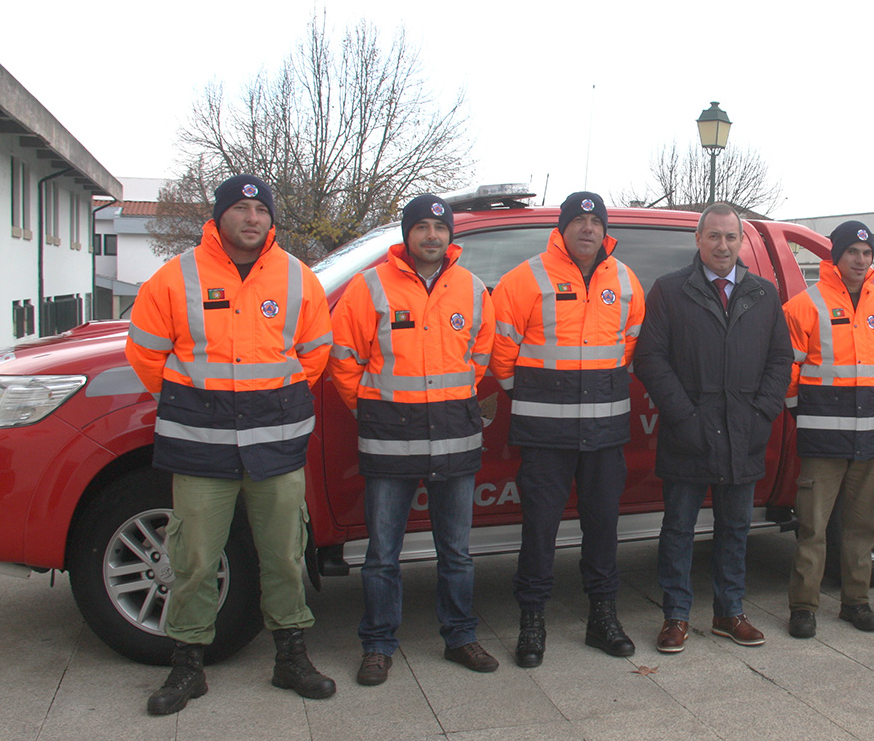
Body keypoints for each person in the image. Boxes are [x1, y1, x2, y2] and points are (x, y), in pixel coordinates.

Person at [126, 174, 335, 715]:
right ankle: (187, 665)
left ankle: (290, 657)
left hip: (277, 443)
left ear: (271, 219)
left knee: (286, 554)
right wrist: (197, 401)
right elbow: (146, 356)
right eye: (240, 210)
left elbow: (314, 355)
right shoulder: (175, 278)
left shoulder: (298, 278)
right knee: (194, 557)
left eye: (260, 210)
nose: (251, 219)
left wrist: (270, 400)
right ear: (219, 217)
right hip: (200, 443)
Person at [329, 195, 498, 682]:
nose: (431, 236)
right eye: (421, 227)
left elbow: (480, 354)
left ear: (451, 236)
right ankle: (378, 644)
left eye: (439, 228)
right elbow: (343, 357)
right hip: (388, 440)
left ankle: (461, 636)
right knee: (382, 554)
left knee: (457, 551)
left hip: (454, 438)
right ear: (407, 235)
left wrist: (456, 396)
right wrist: (369, 408)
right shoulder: (370, 287)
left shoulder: (470, 289)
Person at [490, 191, 644, 667]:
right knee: (539, 530)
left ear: (604, 230)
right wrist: (538, 396)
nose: (587, 228)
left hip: (604, 434)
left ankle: (603, 617)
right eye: (578, 220)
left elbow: (629, 343)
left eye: (595, 221)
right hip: (545, 437)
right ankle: (531, 622)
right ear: (561, 228)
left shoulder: (625, 280)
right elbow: (501, 354)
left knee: (603, 528)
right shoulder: (524, 279)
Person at [634, 202, 793, 653]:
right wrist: (683, 415)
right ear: (698, 240)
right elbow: (650, 358)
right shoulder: (668, 291)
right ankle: (676, 617)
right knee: (679, 529)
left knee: (735, 528)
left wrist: (763, 411)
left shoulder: (764, 294)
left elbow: (781, 359)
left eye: (730, 237)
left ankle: (729, 612)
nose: (722, 245)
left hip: (744, 431)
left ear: (740, 242)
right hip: (689, 432)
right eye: (714, 236)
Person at [782, 222, 874, 637]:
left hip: (871, 440)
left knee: (863, 527)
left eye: (867, 253)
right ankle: (803, 607)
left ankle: (857, 602)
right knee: (813, 528)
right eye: (852, 252)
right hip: (822, 440)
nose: (860, 260)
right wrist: (804, 412)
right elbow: (786, 370)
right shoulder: (805, 305)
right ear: (835, 256)